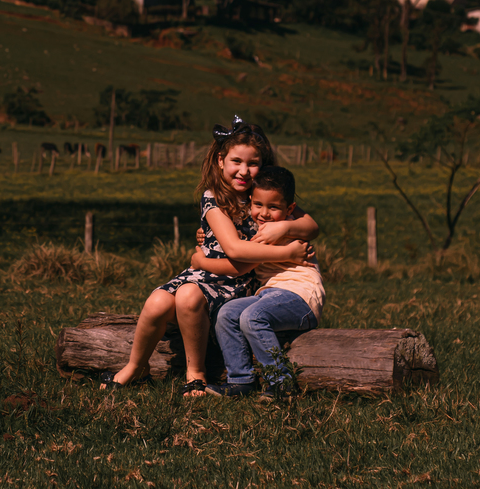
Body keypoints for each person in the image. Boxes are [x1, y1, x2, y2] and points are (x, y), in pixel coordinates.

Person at [101, 115, 317, 397]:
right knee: (156, 302)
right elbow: (235, 249)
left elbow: (312, 226)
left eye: (253, 164)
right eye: (236, 162)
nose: (244, 171)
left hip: (236, 282)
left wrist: (285, 227)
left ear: (263, 165)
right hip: (208, 271)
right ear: (220, 161)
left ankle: (196, 372)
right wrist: (286, 251)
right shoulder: (213, 196)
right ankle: (135, 366)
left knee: (188, 296)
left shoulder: (265, 195)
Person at [191, 165, 324, 399]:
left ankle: (281, 383)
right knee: (226, 314)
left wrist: (201, 262)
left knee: (252, 317)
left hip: (301, 297)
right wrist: (204, 232)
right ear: (250, 201)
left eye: (273, 207)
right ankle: (240, 380)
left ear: (289, 209)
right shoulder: (262, 228)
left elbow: (238, 265)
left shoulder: (274, 231)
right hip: (270, 294)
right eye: (259, 205)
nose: (264, 213)